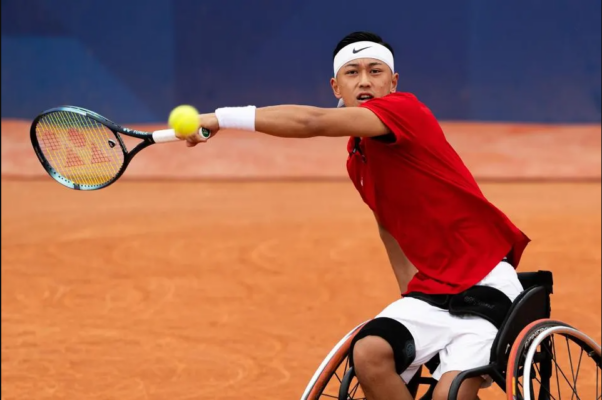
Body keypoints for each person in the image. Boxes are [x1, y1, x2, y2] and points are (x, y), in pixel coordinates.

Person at [177, 31, 531, 400]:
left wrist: (220, 118)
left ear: (393, 83)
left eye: (375, 71)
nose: (364, 80)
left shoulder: (405, 111)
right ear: (336, 87)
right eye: (352, 72)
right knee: (369, 353)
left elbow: (310, 122)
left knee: (449, 395)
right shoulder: (358, 157)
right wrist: (409, 298)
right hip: (432, 291)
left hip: (485, 283)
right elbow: (388, 228)